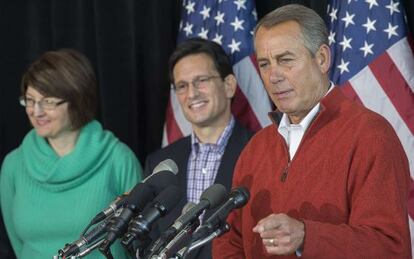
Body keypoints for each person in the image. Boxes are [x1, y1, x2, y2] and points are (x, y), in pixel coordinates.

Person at [213, 4, 411, 258]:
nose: (273, 76)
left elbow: (390, 247)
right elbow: (230, 240)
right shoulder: (256, 148)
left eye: (285, 60)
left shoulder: (371, 135)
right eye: (264, 64)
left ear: (322, 59)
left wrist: (307, 236)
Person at [0, 49, 142, 259]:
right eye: (29, 100)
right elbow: (18, 245)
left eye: (48, 101)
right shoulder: (13, 165)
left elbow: (138, 242)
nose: (36, 111)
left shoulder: (118, 159)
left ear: (76, 100)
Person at [142, 38, 254, 259]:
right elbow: (148, 240)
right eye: (182, 86)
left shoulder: (260, 151)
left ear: (229, 85)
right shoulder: (159, 163)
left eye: (201, 80)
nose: (191, 94)